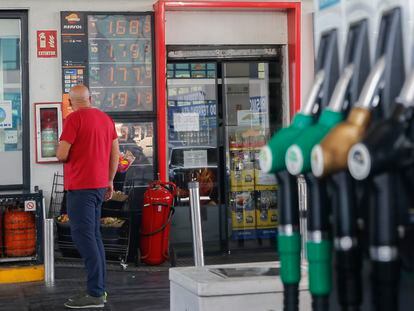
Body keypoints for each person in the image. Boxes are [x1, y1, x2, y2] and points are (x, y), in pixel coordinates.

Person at [56, 85, 119, 309]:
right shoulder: (105, 119)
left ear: (71, 103)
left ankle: (95, 293)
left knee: (84, 238)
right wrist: (109, 180)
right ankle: (99, 290)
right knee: (94, 237)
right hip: (99, 187)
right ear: (90, 98)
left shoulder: (73, 120)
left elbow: (62, 154)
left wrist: (60, 151)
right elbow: (115, 153)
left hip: (81, 188)